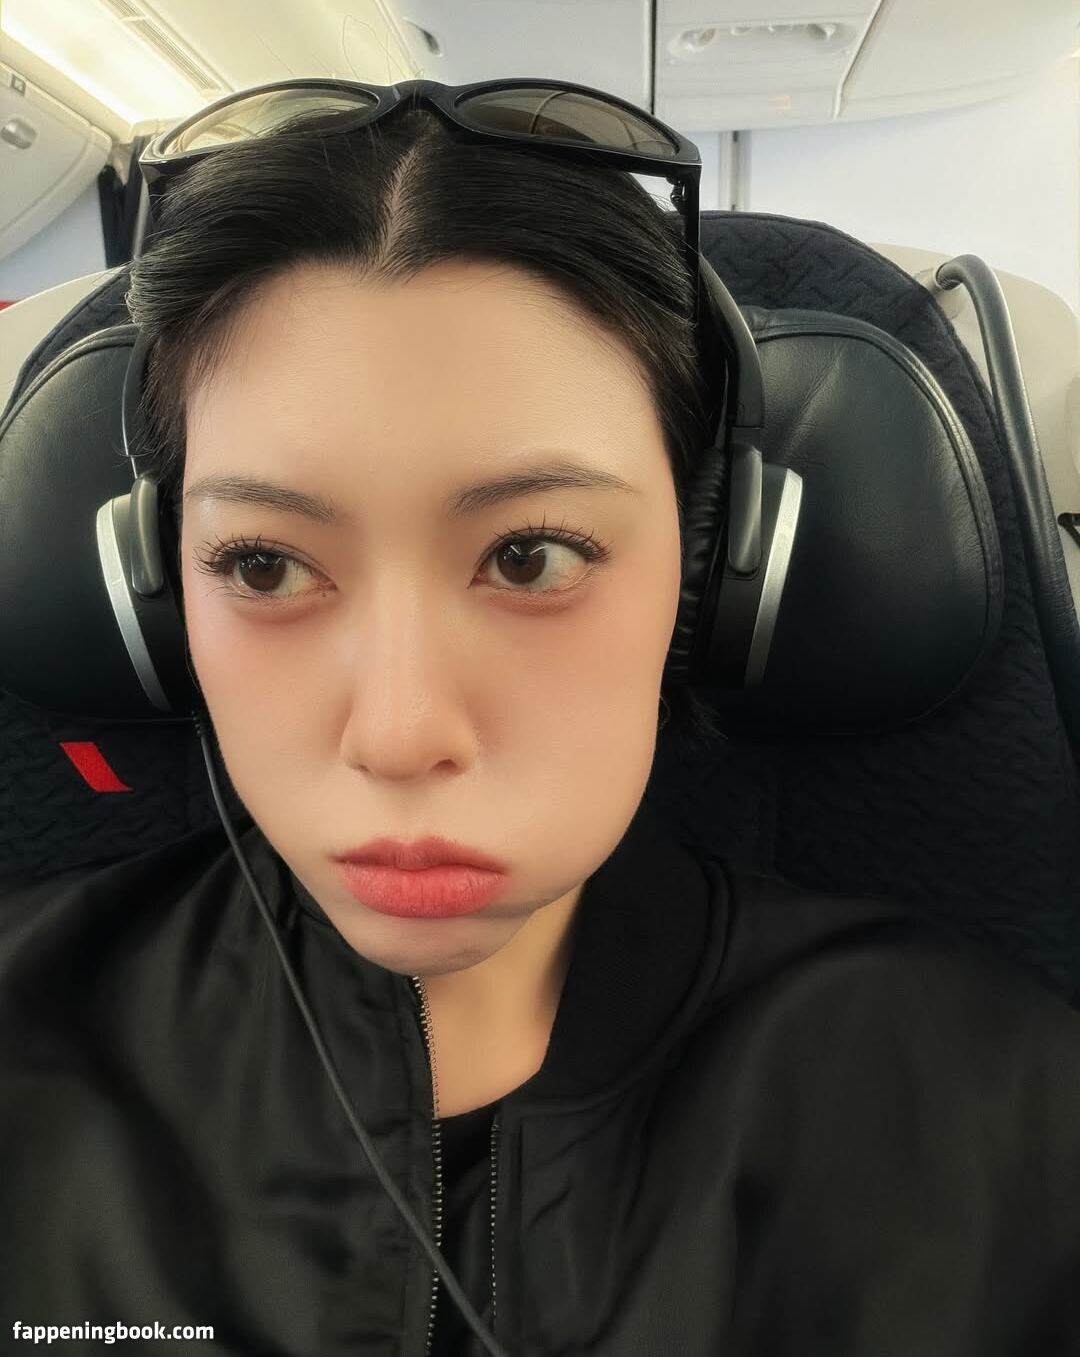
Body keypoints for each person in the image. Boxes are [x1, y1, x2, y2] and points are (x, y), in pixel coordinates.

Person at [3, 80, 1080, 1357]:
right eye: (264, 564)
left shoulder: (1001, 1115)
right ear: (150, 588)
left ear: (716, 571)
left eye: (530, 556)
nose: (400, 734)